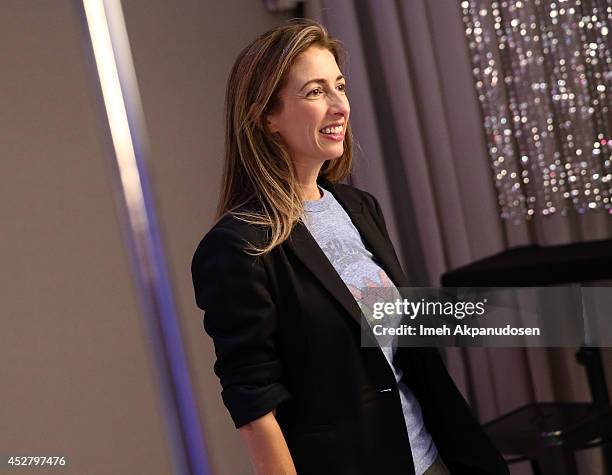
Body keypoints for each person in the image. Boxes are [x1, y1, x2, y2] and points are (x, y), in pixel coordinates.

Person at [191, 18, 509, 475]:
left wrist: (552, 318)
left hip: (431, 457)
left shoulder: (358, 206)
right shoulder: (238, 246)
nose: (340, 106)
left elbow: (386, 326)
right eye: (316, 92)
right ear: (267, 117)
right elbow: (255, 406)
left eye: (339, 86)